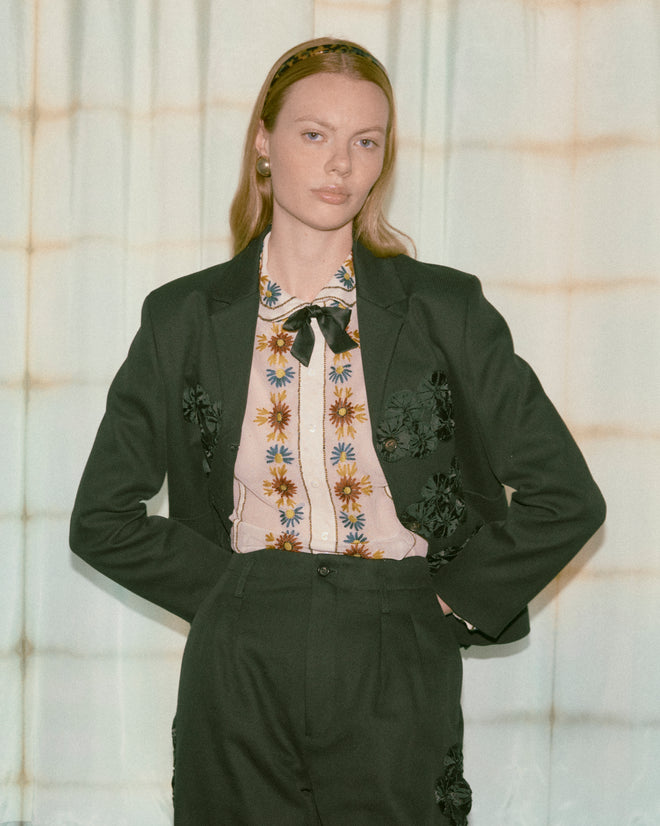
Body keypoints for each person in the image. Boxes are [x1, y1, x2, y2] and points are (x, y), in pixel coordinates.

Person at [70, 37, 606, 826]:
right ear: (264, 140)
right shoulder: (184, 317)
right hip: (241, 657)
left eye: (367, 142)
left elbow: (567, 498)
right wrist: (232, 594)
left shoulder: (444, 309)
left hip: (396, 644)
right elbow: (102, 519)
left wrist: (450, 601)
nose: (341, 166)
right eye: (314, 135)